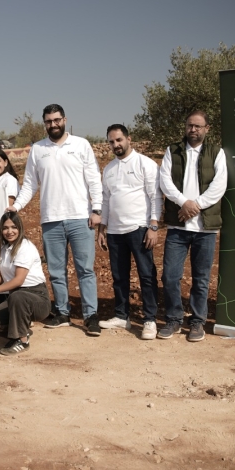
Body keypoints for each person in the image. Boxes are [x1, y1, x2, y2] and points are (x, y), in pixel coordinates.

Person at [11, 104, 103, 336]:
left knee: (85, 270)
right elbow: (30, 184)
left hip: (80, 217)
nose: (53, 124)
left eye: (57, 120)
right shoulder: (38, 149)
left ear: (64, 120)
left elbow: (94, 179)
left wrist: (97, 209)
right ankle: (62, 312)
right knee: (56, 271)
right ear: (44, 123)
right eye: (49, 121)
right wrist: (16, 207)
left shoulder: (81, 145)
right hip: (51, 220)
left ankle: (91, 316)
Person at [158, 109, 227, 342]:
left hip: (205, 228)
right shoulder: (173, 150)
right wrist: (183, 203)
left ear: (207, 128)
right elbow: (165, 181)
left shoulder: (216, 152)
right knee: (170, 276)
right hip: (178, 227)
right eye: (190, 125)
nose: (193, 129)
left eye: (198, 126)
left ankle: (197, 322)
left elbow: (219, 185)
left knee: (201, 278)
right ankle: (174, 319)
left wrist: (195, 205)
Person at [96, 125, 162, 339]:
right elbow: (106, 200)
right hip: (115, 232)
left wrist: (153, 226)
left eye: (119, 140)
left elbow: (155, 196)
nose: (115, 144)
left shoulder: (145, 164)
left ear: (128, 139)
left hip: (139, 229)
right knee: (119, 276)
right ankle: (121, 316)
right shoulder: (109, 169)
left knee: (146, 275)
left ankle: (150, 319)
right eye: (111, 141)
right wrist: (102, 228)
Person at [0, 213, 50, 356]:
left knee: (18, 296)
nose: (9, 231)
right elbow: (1, 280)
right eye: (5, 228)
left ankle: (22, 341)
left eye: (13, 227)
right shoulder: (4, 249)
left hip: (37, 298)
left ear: (20, 228)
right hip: (16, 299)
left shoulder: (25, 247)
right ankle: (22, 328)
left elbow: (18, 281)